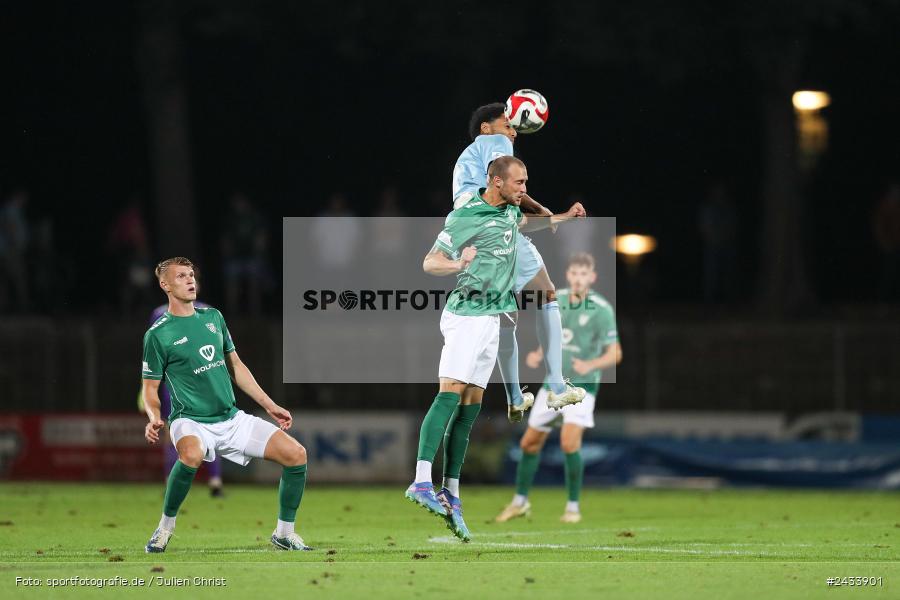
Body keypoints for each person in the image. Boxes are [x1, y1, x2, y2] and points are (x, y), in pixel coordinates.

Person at [409, 156, 585, 542]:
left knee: (470, 405)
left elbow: (528, 224)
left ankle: (451, 494)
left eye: (526, 181)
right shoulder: (464, 216)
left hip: (491, 320)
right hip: (467, 315)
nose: (524, 188)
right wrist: (457, 263)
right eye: (519, 182)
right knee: (449, 394)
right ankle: (422, 480)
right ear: (496, 181)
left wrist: (563, 218)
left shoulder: (509, 212)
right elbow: (429, 262)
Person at [141, 257, 310, 552]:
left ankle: (284, 533)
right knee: (191, 455)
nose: (190, 280)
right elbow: (150, 387)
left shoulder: (213, 318)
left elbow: (237, 366)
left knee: (296, 455)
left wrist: (269, 405)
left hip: (231, 419)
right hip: (190, 419)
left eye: (192, 274)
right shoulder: (158, 334)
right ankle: (164, 528)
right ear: (165, 284)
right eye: (181, 276)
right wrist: (155, 416)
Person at [452, 103, 586, 423]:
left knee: (505, 316)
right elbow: (509, 184)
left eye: (514, 126)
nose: (513, 131)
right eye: (507, 123)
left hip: (470, 232)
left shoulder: (465, 161)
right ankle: (554, 385)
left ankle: (514, 397)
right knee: (546, 294)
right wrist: (546, 213)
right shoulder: (495, 144)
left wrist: (550, 217)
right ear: (486, 128)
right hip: (492, 228)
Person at [495, 252, 622, 524]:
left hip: (583, 386)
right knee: (529, 443)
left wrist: (591, 364)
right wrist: (539, 353)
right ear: (568, 275)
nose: (578, 279)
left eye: (583, 274)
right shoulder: (556, 298)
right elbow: (550, 332)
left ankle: (573, 508)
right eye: (574, 273)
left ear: (592, 277)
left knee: (568, 442)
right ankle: (519, 502)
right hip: (553, 384)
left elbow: (615, 353)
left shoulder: (601, 309)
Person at [139, 288, 224, 497]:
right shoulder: (206, 312)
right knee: (202, 430)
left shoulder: (205, 311)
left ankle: (196, 482)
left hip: (184, 381)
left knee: (175, 432)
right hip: (187, 381)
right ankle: (213, 482)